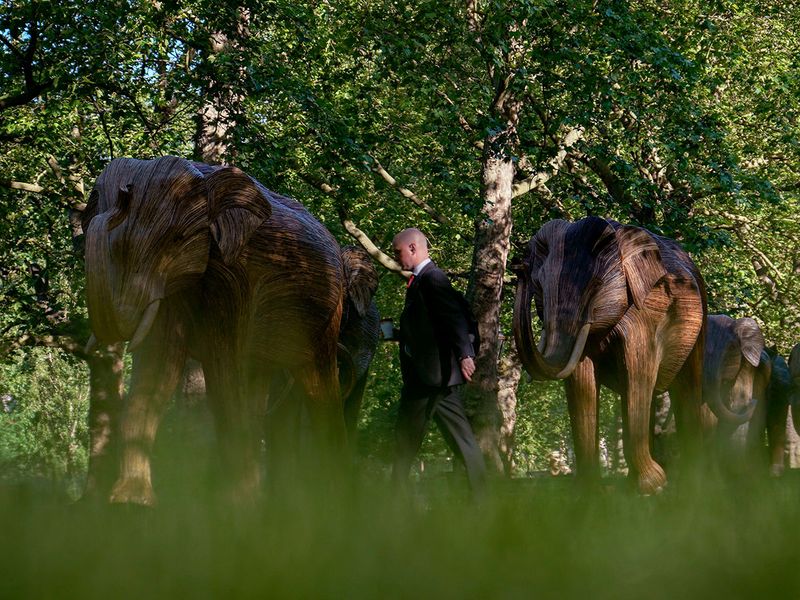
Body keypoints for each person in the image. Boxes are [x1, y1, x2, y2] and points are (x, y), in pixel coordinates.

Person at [390, 227, 486, 497]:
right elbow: (432, 327)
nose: (396, 257)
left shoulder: (432, 278)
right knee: (463, 441)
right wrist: (400, 336)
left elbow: (453, 318)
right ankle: (483, 499)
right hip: (436, 378)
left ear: (413, 248)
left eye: (398, 252)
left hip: (427, 378)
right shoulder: (422, 280)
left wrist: (466, 355)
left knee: (404, 442)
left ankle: (393, 504)